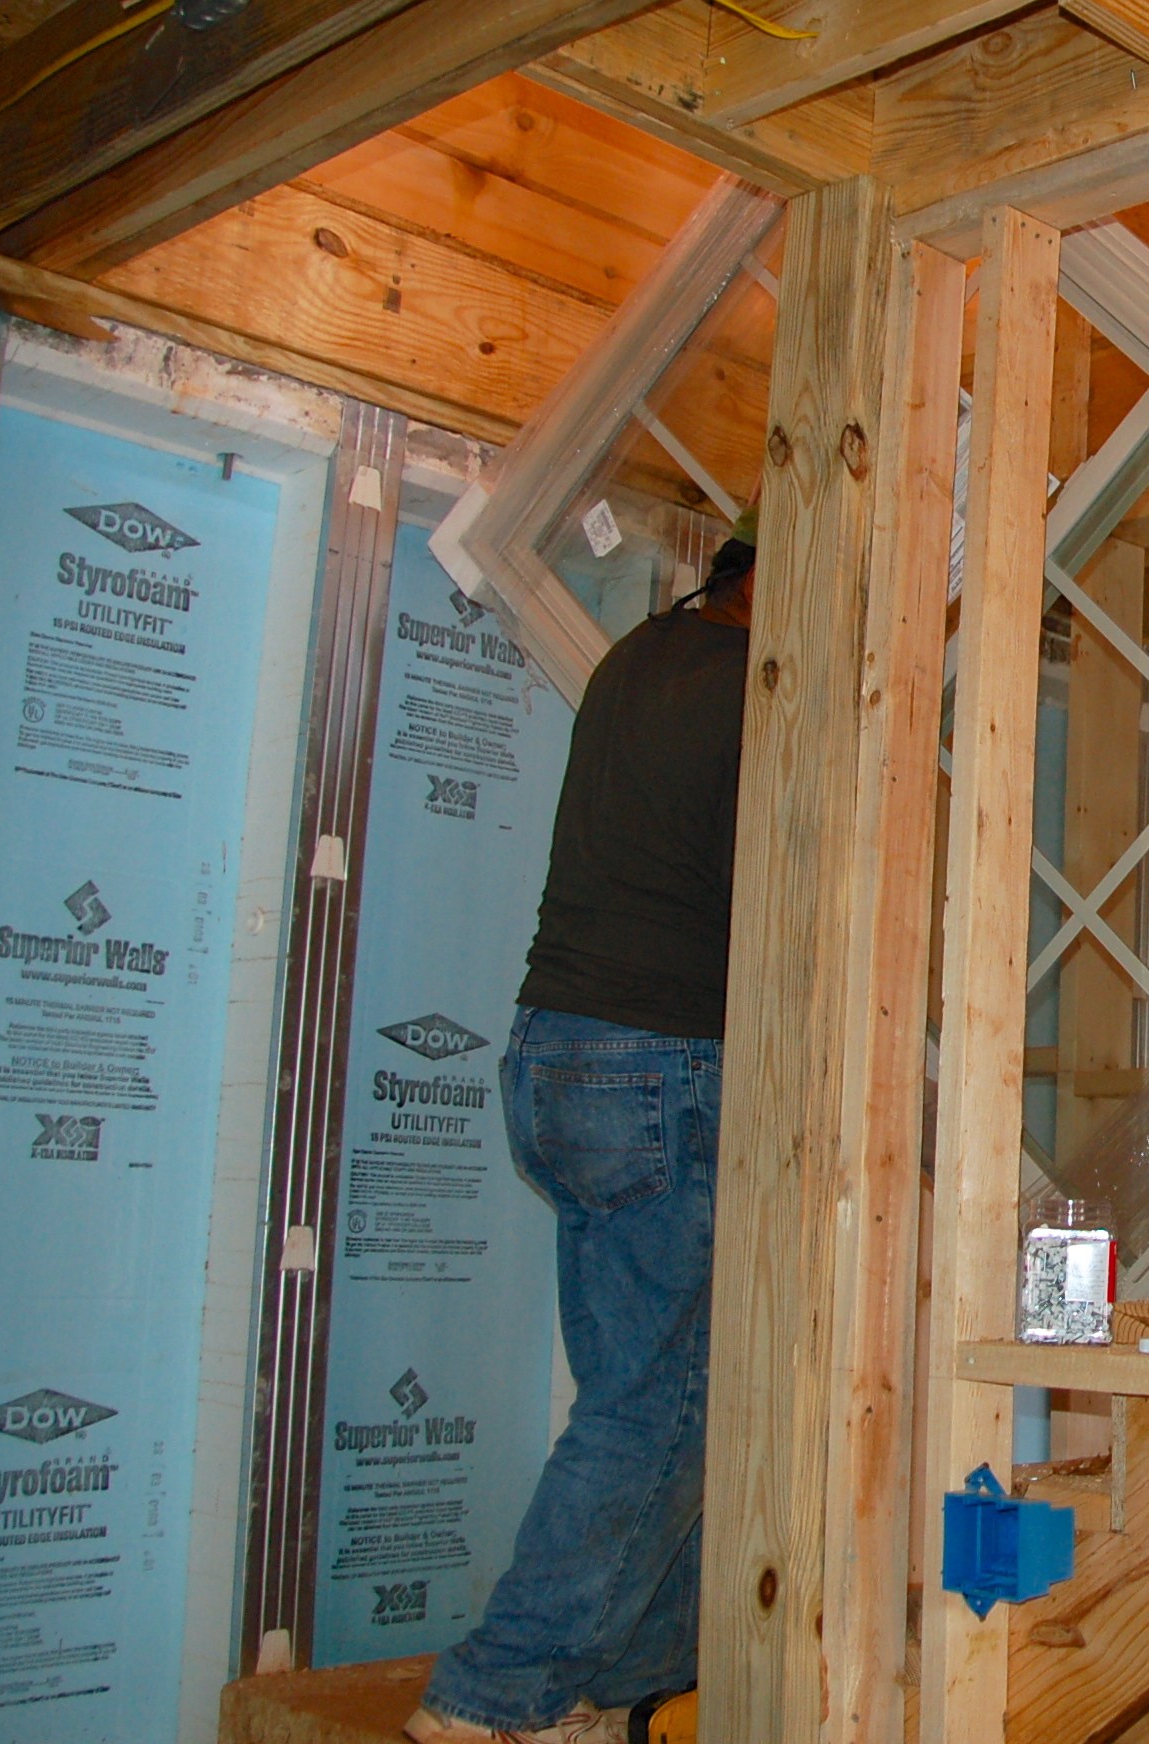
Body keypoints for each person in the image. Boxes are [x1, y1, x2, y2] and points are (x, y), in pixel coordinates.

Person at [408, 512, 757, 1744]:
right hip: (656, 1062)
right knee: (653, 1405)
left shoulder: (638, 658)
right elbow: (782, 893)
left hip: (557, 1052)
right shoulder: (755, 690)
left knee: (665, 1395)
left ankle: (627, 1687)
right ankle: (495, 1693)